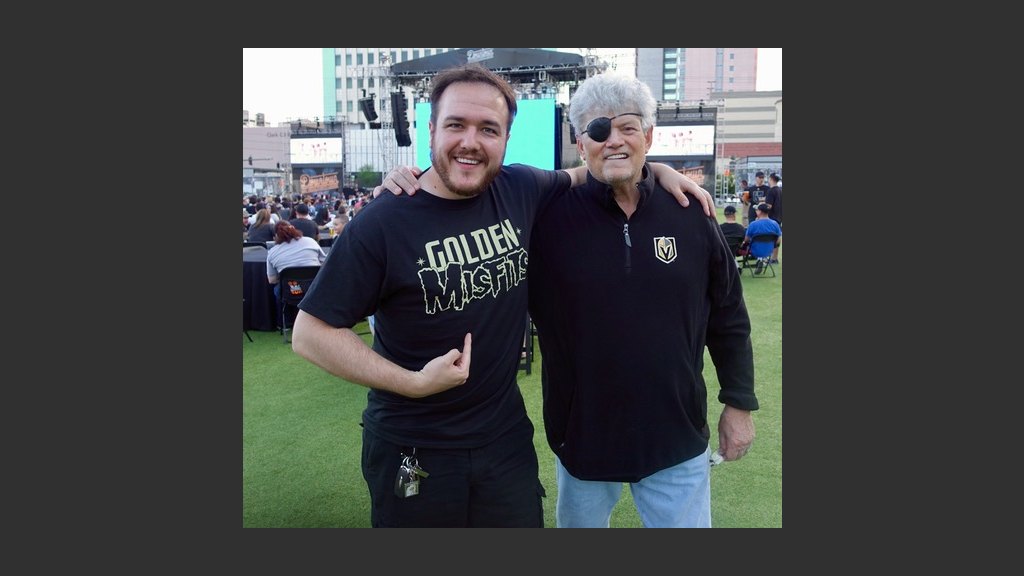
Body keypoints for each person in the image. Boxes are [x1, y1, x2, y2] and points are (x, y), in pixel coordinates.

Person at [291, 64, 713, 528]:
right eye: (456, 125)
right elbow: (310, 333)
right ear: (431, 130)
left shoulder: (520, 188)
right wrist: (411, 382)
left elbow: (593, 168)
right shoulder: (385, 221)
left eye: (488, 129)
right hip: (415, 445)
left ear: (505, 139)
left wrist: (658, 169)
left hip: (505, 442)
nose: (471, 141)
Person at [526, 73, 757, 528]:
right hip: (583, 442)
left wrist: (739, 403)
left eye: (628, 128)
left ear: (649, 136)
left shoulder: (692, 212)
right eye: (598, 130)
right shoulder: (544, 218)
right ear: (579, 141)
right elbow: (470, 192)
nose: (614, 140)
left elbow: (729, 315)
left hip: (677, 440)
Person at [266, 220, 326, 306]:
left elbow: (272, 280)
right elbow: (324, 262)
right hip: (314, 289)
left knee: (278, 290)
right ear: (293, 229)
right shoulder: (310, 241)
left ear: (275, 236)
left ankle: (283, 316)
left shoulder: (272, 252)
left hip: (290, 292)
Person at [743, 203, 782, 274]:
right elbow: (778, 240)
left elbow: (746, 240)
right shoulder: (775, 224)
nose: (755, 211)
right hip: (769, 250)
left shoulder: (753, 224)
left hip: (754, 251)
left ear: (760, 212)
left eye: (757, 210)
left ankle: (760, 260)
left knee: (748, 244)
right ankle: (761, 260)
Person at [764, 173, 782, 263]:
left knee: (770, 238)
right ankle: (775, 257)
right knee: (777, 237)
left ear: (770, 179)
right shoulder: (780, 190)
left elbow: (769, 206)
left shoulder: (771, 191)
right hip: (779, 216)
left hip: (771, 217)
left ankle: (772, 258)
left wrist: (760, 206)